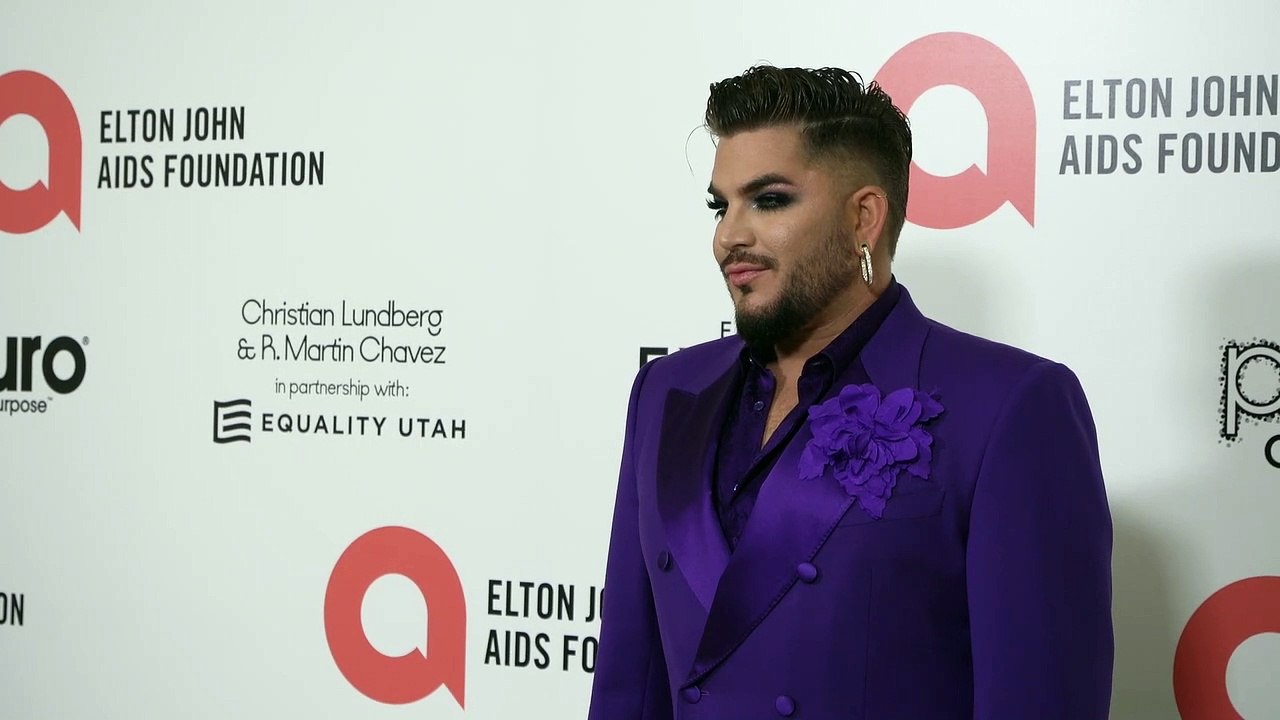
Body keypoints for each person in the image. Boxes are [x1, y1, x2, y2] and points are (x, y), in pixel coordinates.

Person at [587, 65, 1113, 719]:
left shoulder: (1010, 407)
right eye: (722, 206)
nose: (729, 236)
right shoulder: (666, 392)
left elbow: (1038, 700)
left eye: (768, 200)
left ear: (863, 216)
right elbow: (629, 684)